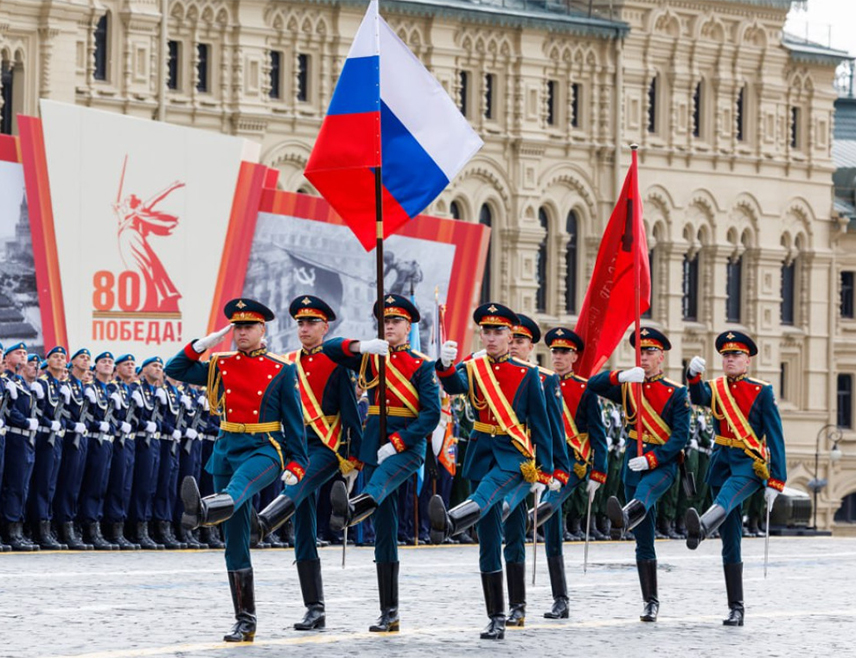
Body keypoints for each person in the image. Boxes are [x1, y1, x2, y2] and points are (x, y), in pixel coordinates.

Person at [165, 298, 308, 643]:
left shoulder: (281, 368)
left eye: (249, 327)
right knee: (235, 539)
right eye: (237, 328)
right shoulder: (220, 364)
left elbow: (294, 420)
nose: (242, 333)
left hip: (265, 448)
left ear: (263, 330)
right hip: (227, 448)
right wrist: (204, 344)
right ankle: (245, 620)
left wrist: (298, 462)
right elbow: (176, 369)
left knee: (240, 487)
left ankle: (202, 511)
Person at [428, 303, 553, 640]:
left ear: (510, 336)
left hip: (515, 458)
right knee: (491, 538)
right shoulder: (474, 366)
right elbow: (454, 385)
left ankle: (453, 521)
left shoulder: (528, 375)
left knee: (487, 496)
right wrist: (444, 365)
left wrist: (547, 470)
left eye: (499, 331)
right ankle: (497, 616)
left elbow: (542, 425)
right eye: (486, 331)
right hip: (483, 452)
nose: (492, 337)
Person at [323, 293, 440, 633]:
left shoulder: (422, 365)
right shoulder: (371, 358)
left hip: (406, 446)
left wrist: (400, 442)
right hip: (374, 444)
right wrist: (361, 347)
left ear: (408, 327)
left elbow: (430, 414)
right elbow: (331, 348)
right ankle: (389, 612)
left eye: (395, 322)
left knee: (379, 484)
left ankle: (351, 509)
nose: (389, 326)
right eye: (385, 322)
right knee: (384, 532)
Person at [253, 295, 363, 631]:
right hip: (296, 447)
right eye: (300, 323)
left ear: (325, 327)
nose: (304, 328)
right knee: (302, 527)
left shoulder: (337, 364)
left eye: (311, 323)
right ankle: (315, 608)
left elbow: (350, 412)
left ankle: (263, 523)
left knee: (296, 486)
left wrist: (355, 459)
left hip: (327, 448)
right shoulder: (287, 363)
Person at [684, 331, 787, 626]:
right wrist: (691, 376)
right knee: (731, 538)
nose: (730, 360)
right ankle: (736, 608)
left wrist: (776, 481)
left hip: (749, 464)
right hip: (721, 460)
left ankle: (702, 526)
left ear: (748, 361)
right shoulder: (716, 387)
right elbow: (698, 397)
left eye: (736, 355)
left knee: (726, 496)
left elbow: (776, 437)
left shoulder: (762, 390)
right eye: (726, 356)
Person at [588, 327, 689, 623]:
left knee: (646, 493)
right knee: (644, 541)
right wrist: (619, 376)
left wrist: (653, 458)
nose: (643, 357)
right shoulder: (629, 386)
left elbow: (679, 438)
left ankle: (625, 517)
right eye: (640, 352)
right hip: (633, 461)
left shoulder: (676, 392)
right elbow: (593, 384)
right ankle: (650, 602)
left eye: (649, 352)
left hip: (663, 464)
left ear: (661, 356)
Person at [529, 327, 607, 619]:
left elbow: (598, 435)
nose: (558, 357)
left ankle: (532, 516)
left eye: (564, 352)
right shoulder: (539, 384)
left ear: (575, 356)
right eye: (555, 352)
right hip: (543, 463)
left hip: (573, 466)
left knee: (550, 502)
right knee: (551, 532)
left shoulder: (586, 389)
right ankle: (560, 600)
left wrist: (598, 473)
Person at [498, 314, 567, 627]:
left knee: (513, 534)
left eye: (520, 341)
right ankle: (509, 606)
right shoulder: (490, 372)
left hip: (527, 468)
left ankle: (517, 606)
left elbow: (553, 430)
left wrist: (554, 472)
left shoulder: (542, 378)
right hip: (496, 461)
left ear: (531, 347)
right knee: (508, 534)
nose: (514, 346)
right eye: (511, 340)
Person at [28, 346, 70, 549]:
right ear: (48, 361)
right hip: (45, 438)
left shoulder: (59, 386)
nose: (60, 360)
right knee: (43, 483)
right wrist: (48, 422)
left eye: (63, 357)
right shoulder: (41, 384)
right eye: (56, 357)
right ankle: (39, 528)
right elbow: (37, 411)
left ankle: (48, 525)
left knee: (52, 484)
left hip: (57, 438)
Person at [78, 351, 120, 550]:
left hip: (108, 442)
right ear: (96, 367)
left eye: (110, 362)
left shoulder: (107, 390)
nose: (107, 364)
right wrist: (97, 424)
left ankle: (98, 526)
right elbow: (84, 415)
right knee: (93, 485)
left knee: (103, 486)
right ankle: (88, 527)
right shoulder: (91, 388)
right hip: (95, 441)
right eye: (103, 361)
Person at [1, 342, 40, 551]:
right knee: (13, 485)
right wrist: (24, 422)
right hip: (15, 437)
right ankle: (9, 531)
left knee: (22, 486)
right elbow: (7, 411)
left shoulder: (23, 384)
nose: (24, 356)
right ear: (7, 359)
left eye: (25, 353)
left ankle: (17, 528)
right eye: (19, 352)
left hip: (27, 439)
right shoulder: (6, 382)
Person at [127, 356, 167, 550]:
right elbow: (131, 417)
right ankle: (137, 529)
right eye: (154, 366)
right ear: (143, 370)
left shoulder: (155, 392)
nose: (158, 369)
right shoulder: (136, 390)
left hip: (155, 442)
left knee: (152, 486)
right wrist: (145, 425)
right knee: (141, 486)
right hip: (142, 441)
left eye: (160, 366)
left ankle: (148, 528)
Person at [103, 353, 140, 549]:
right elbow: (104, 414)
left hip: (130, 442)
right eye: (126, 364)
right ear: (117, 369)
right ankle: (112, 528)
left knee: (126, 486)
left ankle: (122, 527)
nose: (130, 368)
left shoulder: (129, 390)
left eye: (133, 364)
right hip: (116, 441)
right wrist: (118, 424)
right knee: (116, 485)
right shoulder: (112, 388)